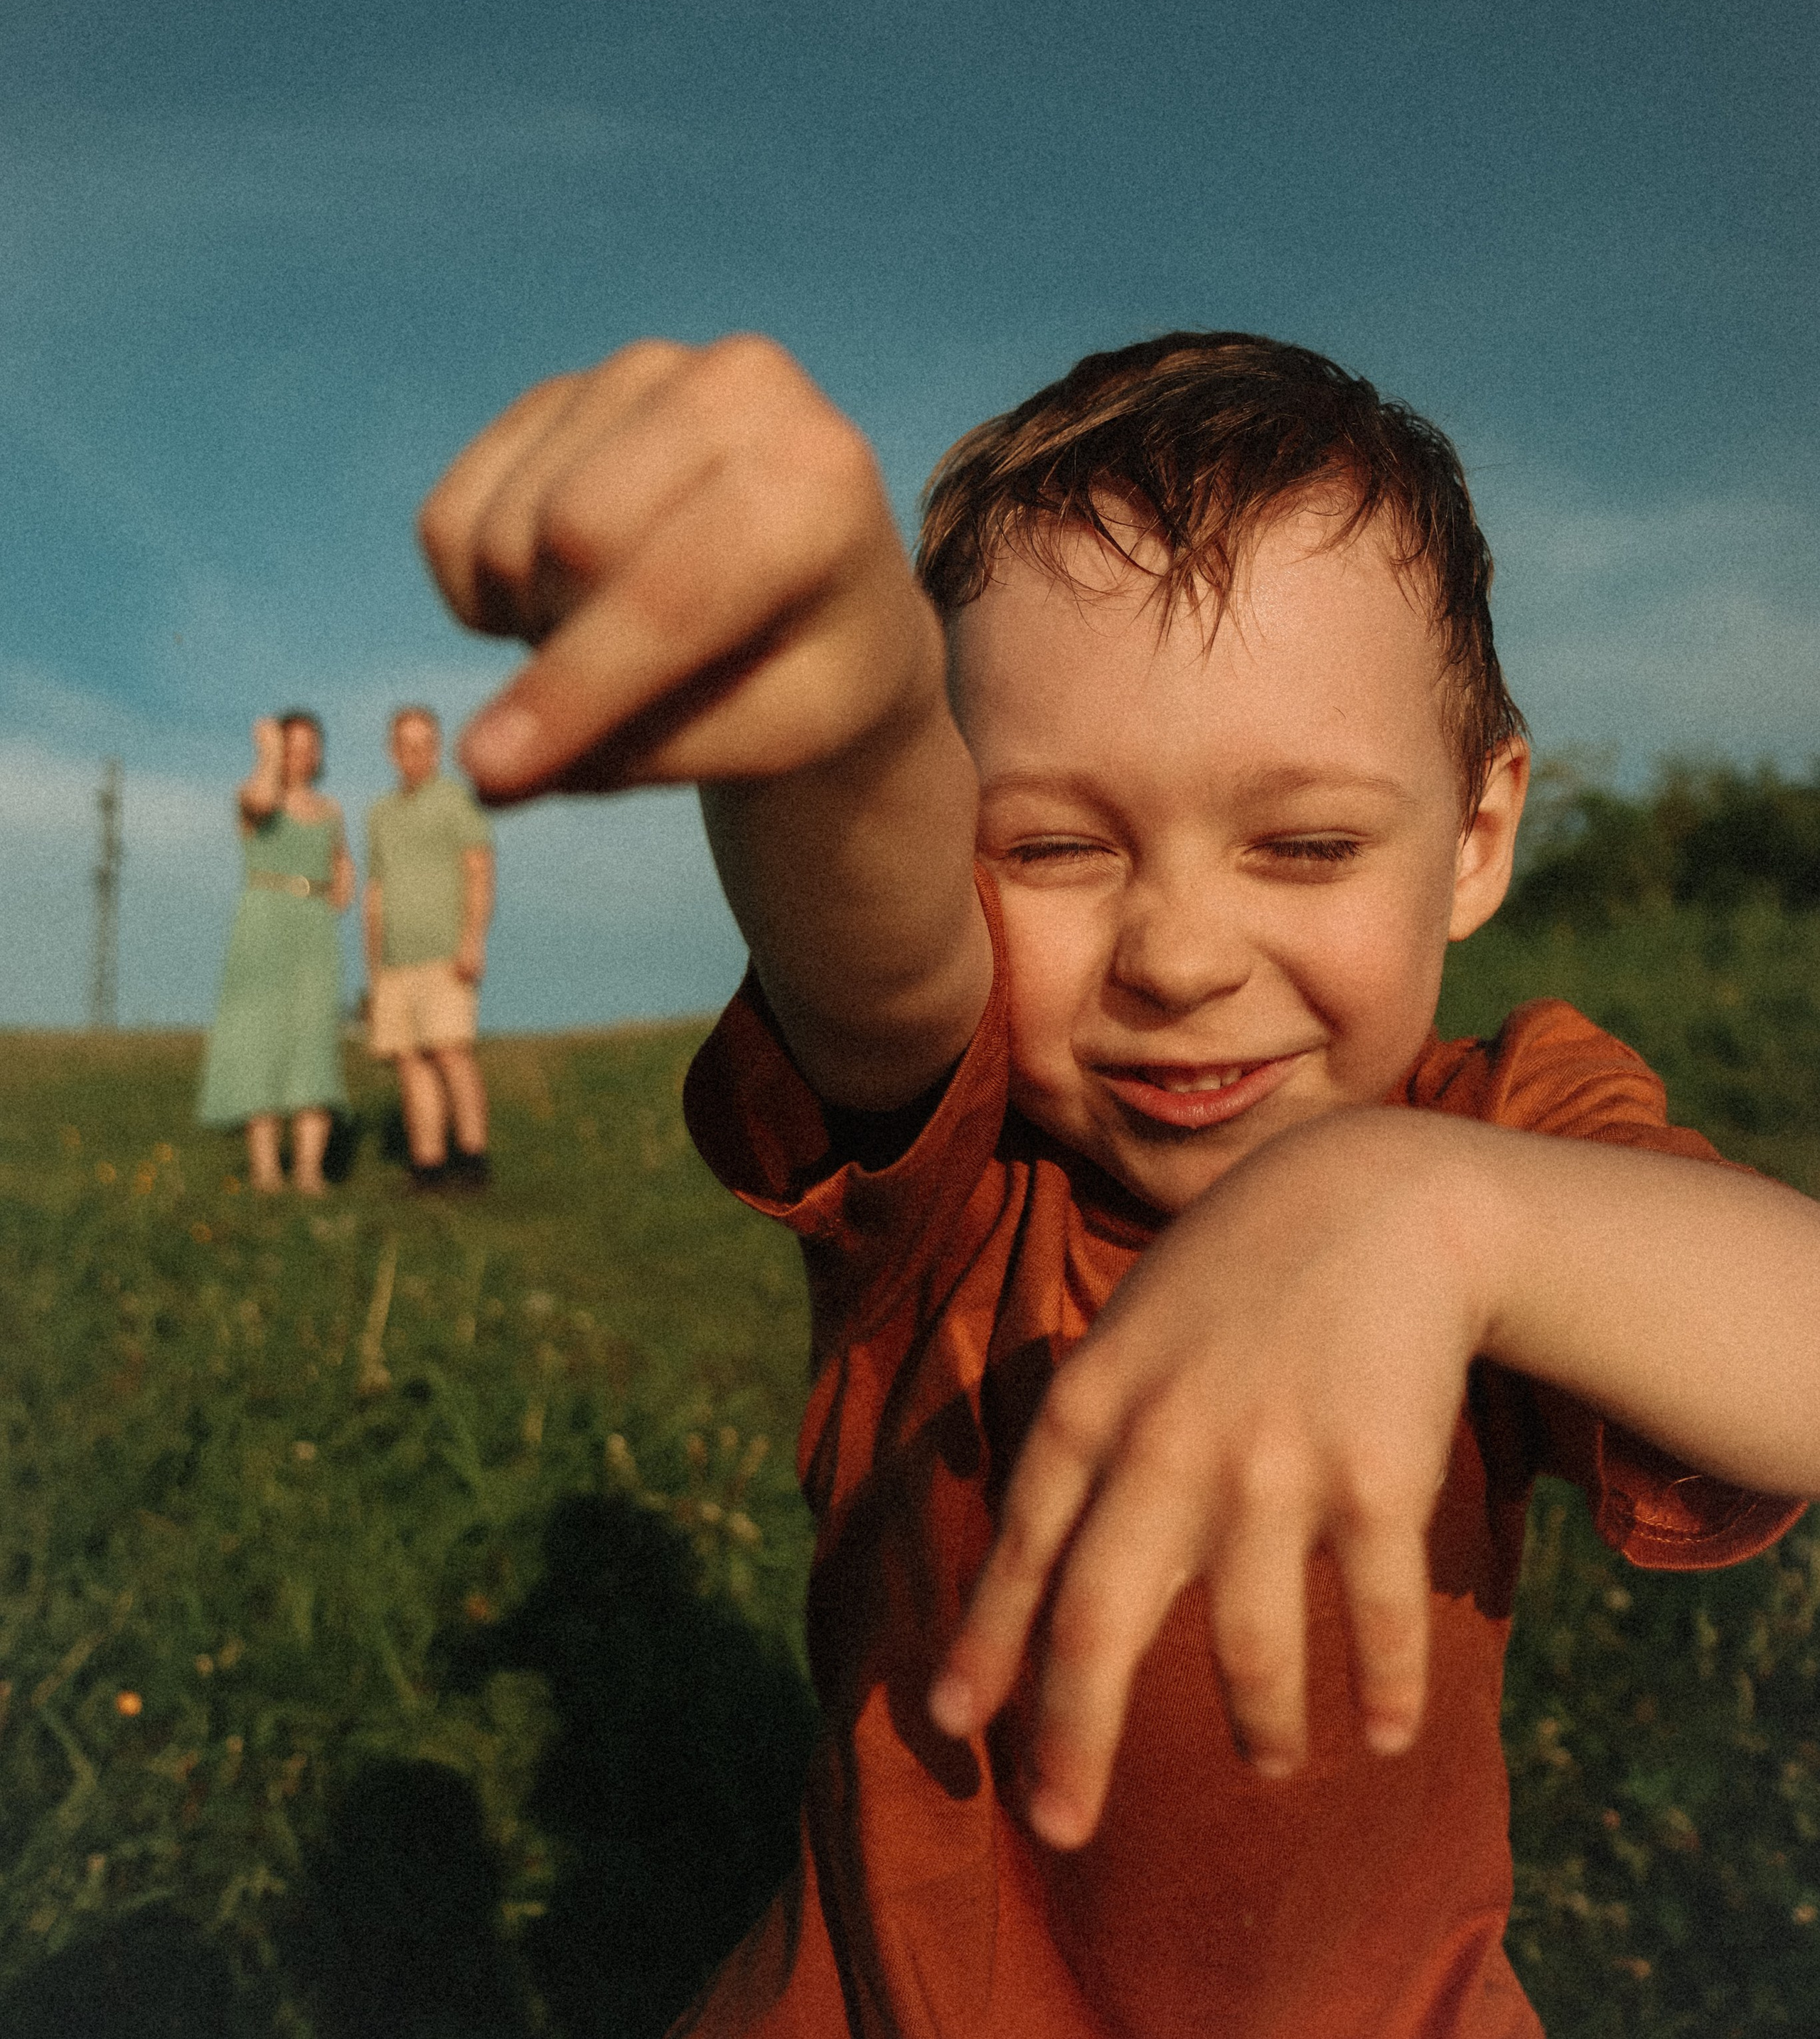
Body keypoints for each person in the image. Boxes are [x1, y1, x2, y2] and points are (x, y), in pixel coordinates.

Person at [418, 333, 1820, 2039]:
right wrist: (838, 703)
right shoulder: (955, 1158)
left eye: (1302, 843)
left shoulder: (1501, 1129)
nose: (1173, 952)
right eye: (1051, 846)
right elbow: (863, 920)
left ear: (1473, 833)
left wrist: (1439, 1210)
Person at [198, 710, 354, 1196]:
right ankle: (267, 1173)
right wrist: (265, 751)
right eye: (293, 746)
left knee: (312, 1043)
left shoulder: (330, 809)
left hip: (313, 929)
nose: (302, 756)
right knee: (259, 1042)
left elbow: (342, 864)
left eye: (312, 746)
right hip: (263, 924)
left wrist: (337, 893)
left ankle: (309, 1171)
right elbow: (264, 799)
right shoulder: (253, 795)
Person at [363, 705, 496, 1192]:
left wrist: (473, 941)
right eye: (407, 745)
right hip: (396, 959)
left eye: (426, 745)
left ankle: (473, 1157)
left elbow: (479, 869)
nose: (416, 755)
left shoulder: (456, 799)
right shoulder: (380, 813)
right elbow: (375, 893)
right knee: (408, 1058)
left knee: (450, 1051)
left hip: (447, 952)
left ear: (437, 748)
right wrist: (374, 966)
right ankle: (428, 1163)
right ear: (392, 751)